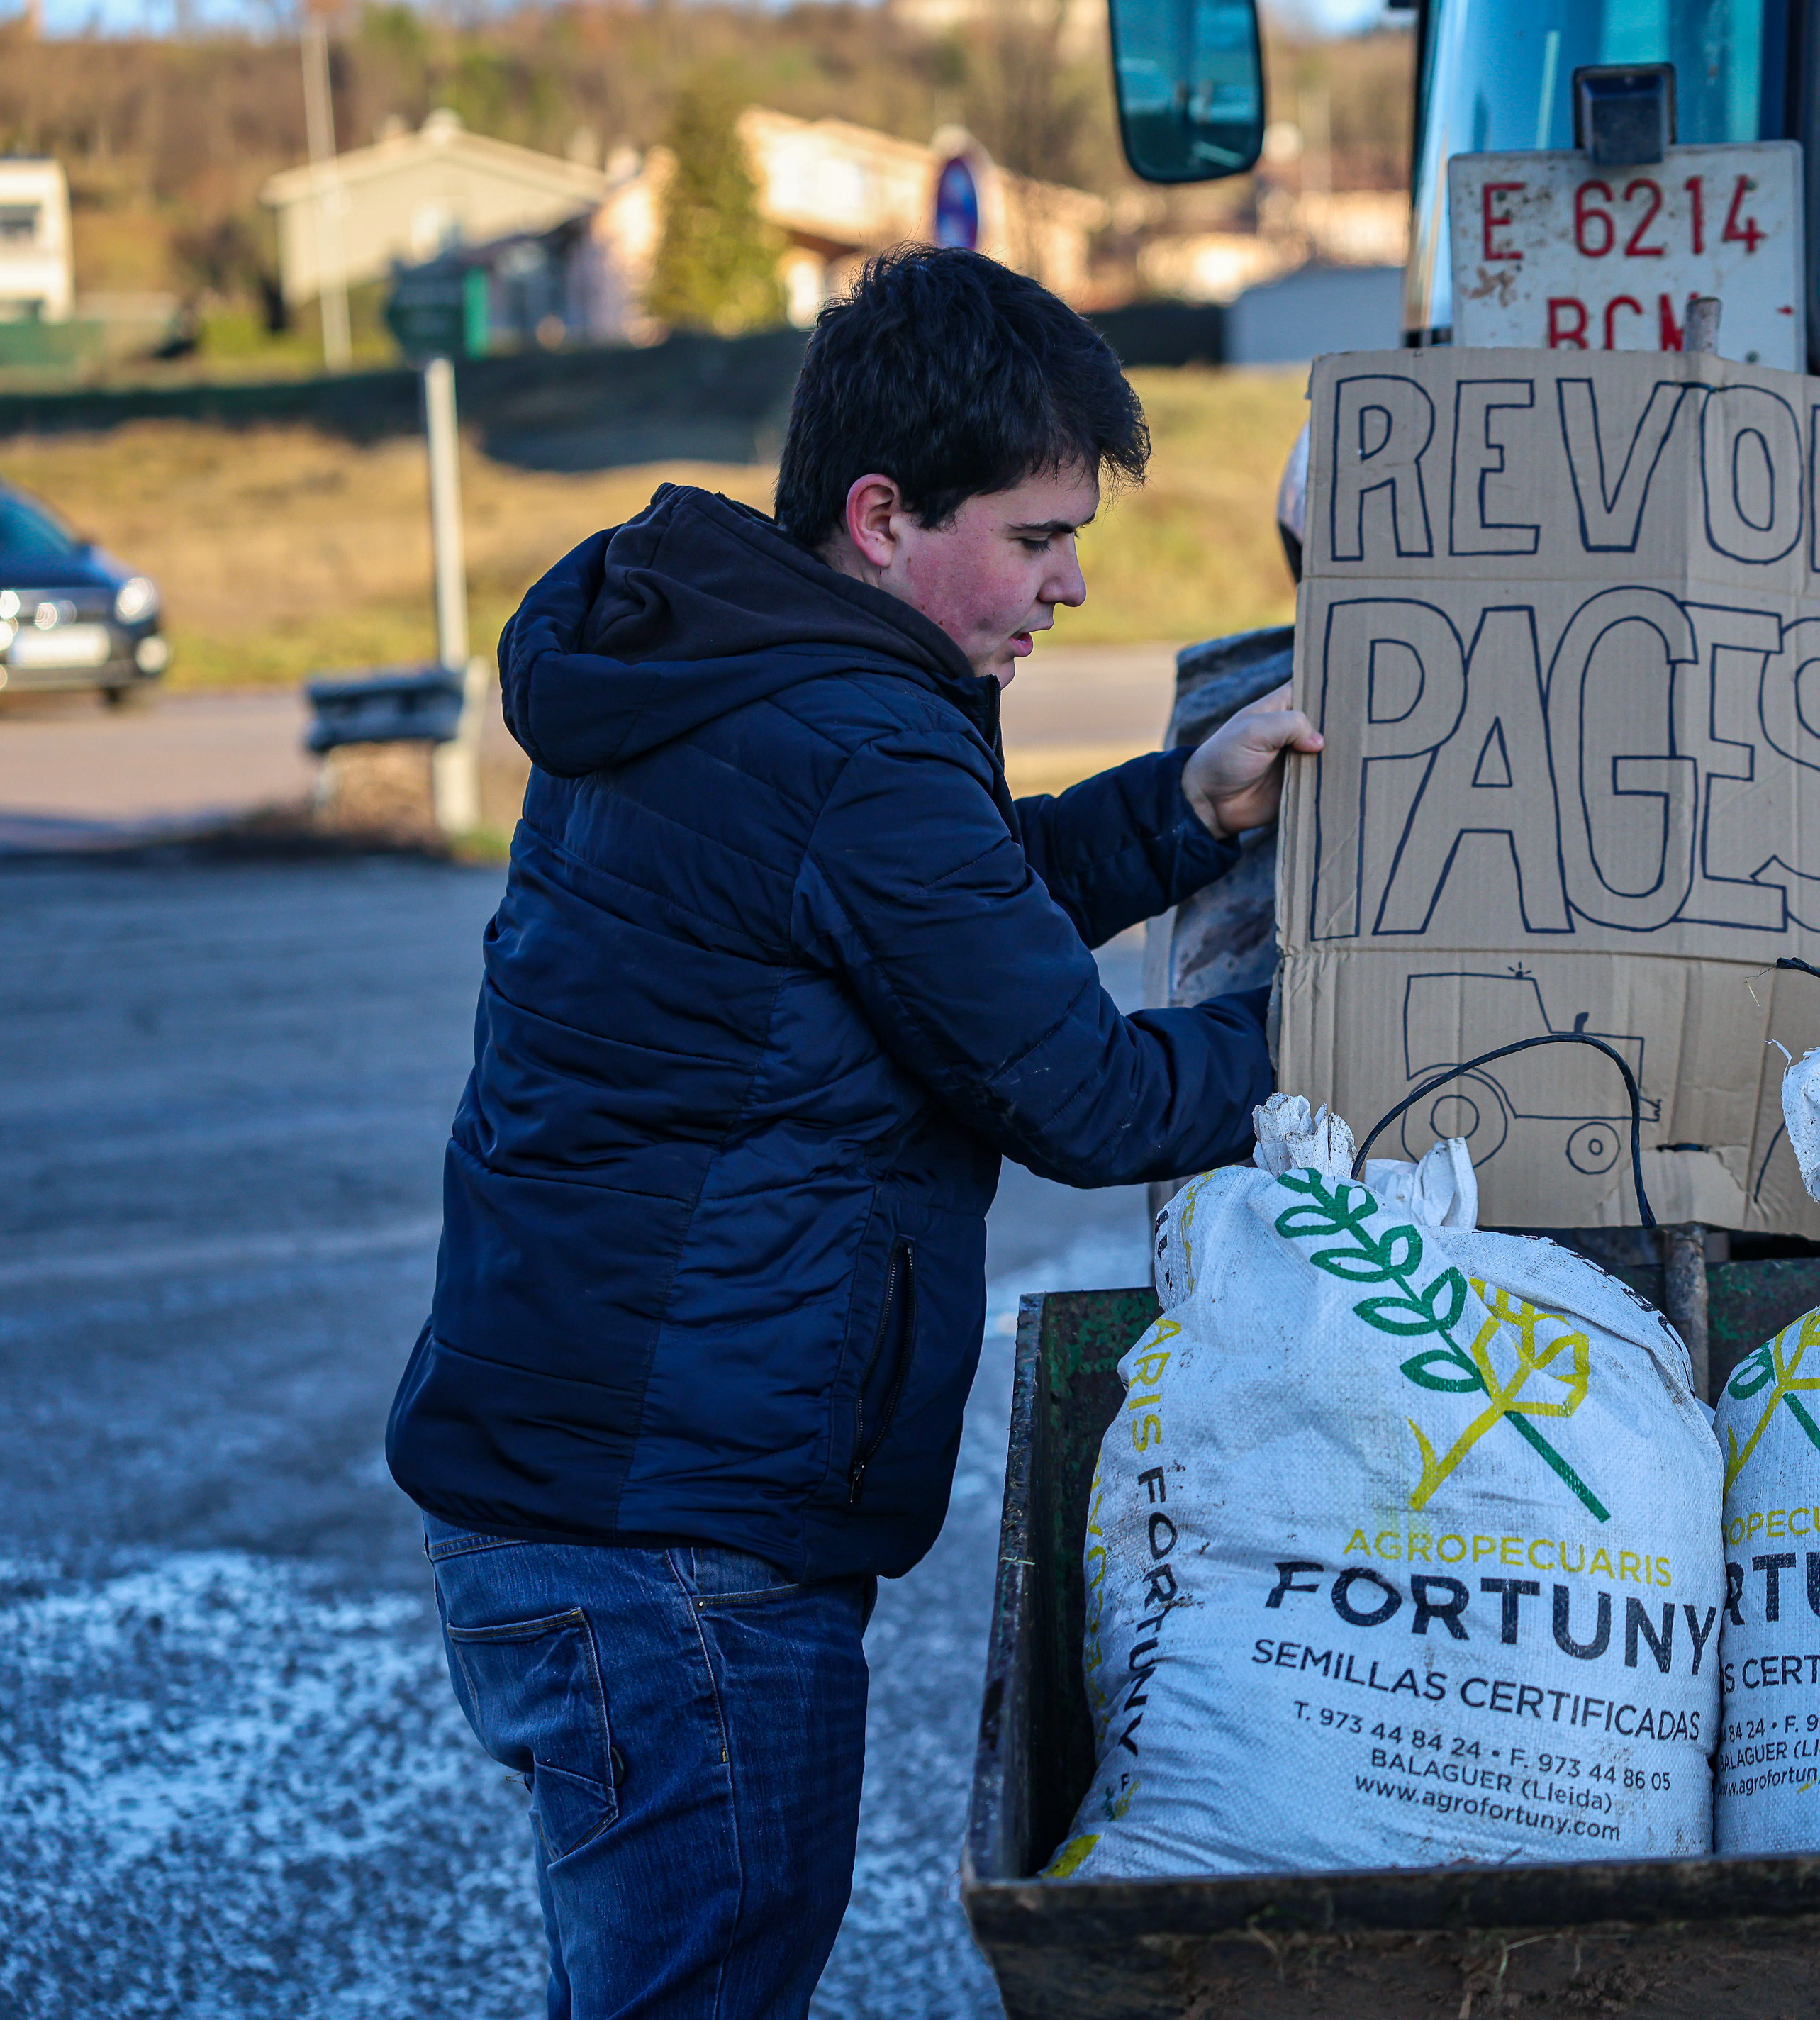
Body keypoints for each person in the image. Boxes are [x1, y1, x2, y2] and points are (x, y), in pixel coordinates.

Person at [384, 247, 1317, 2017]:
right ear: (885, 517)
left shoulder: (739, 673)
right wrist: (1333, 1043)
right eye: (1037, 539)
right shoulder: (849, 741)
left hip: (586, 1499)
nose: (1069, 584)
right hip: (677, 1543)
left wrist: (1180, 813)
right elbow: (1084, 1090)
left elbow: (943, 919)